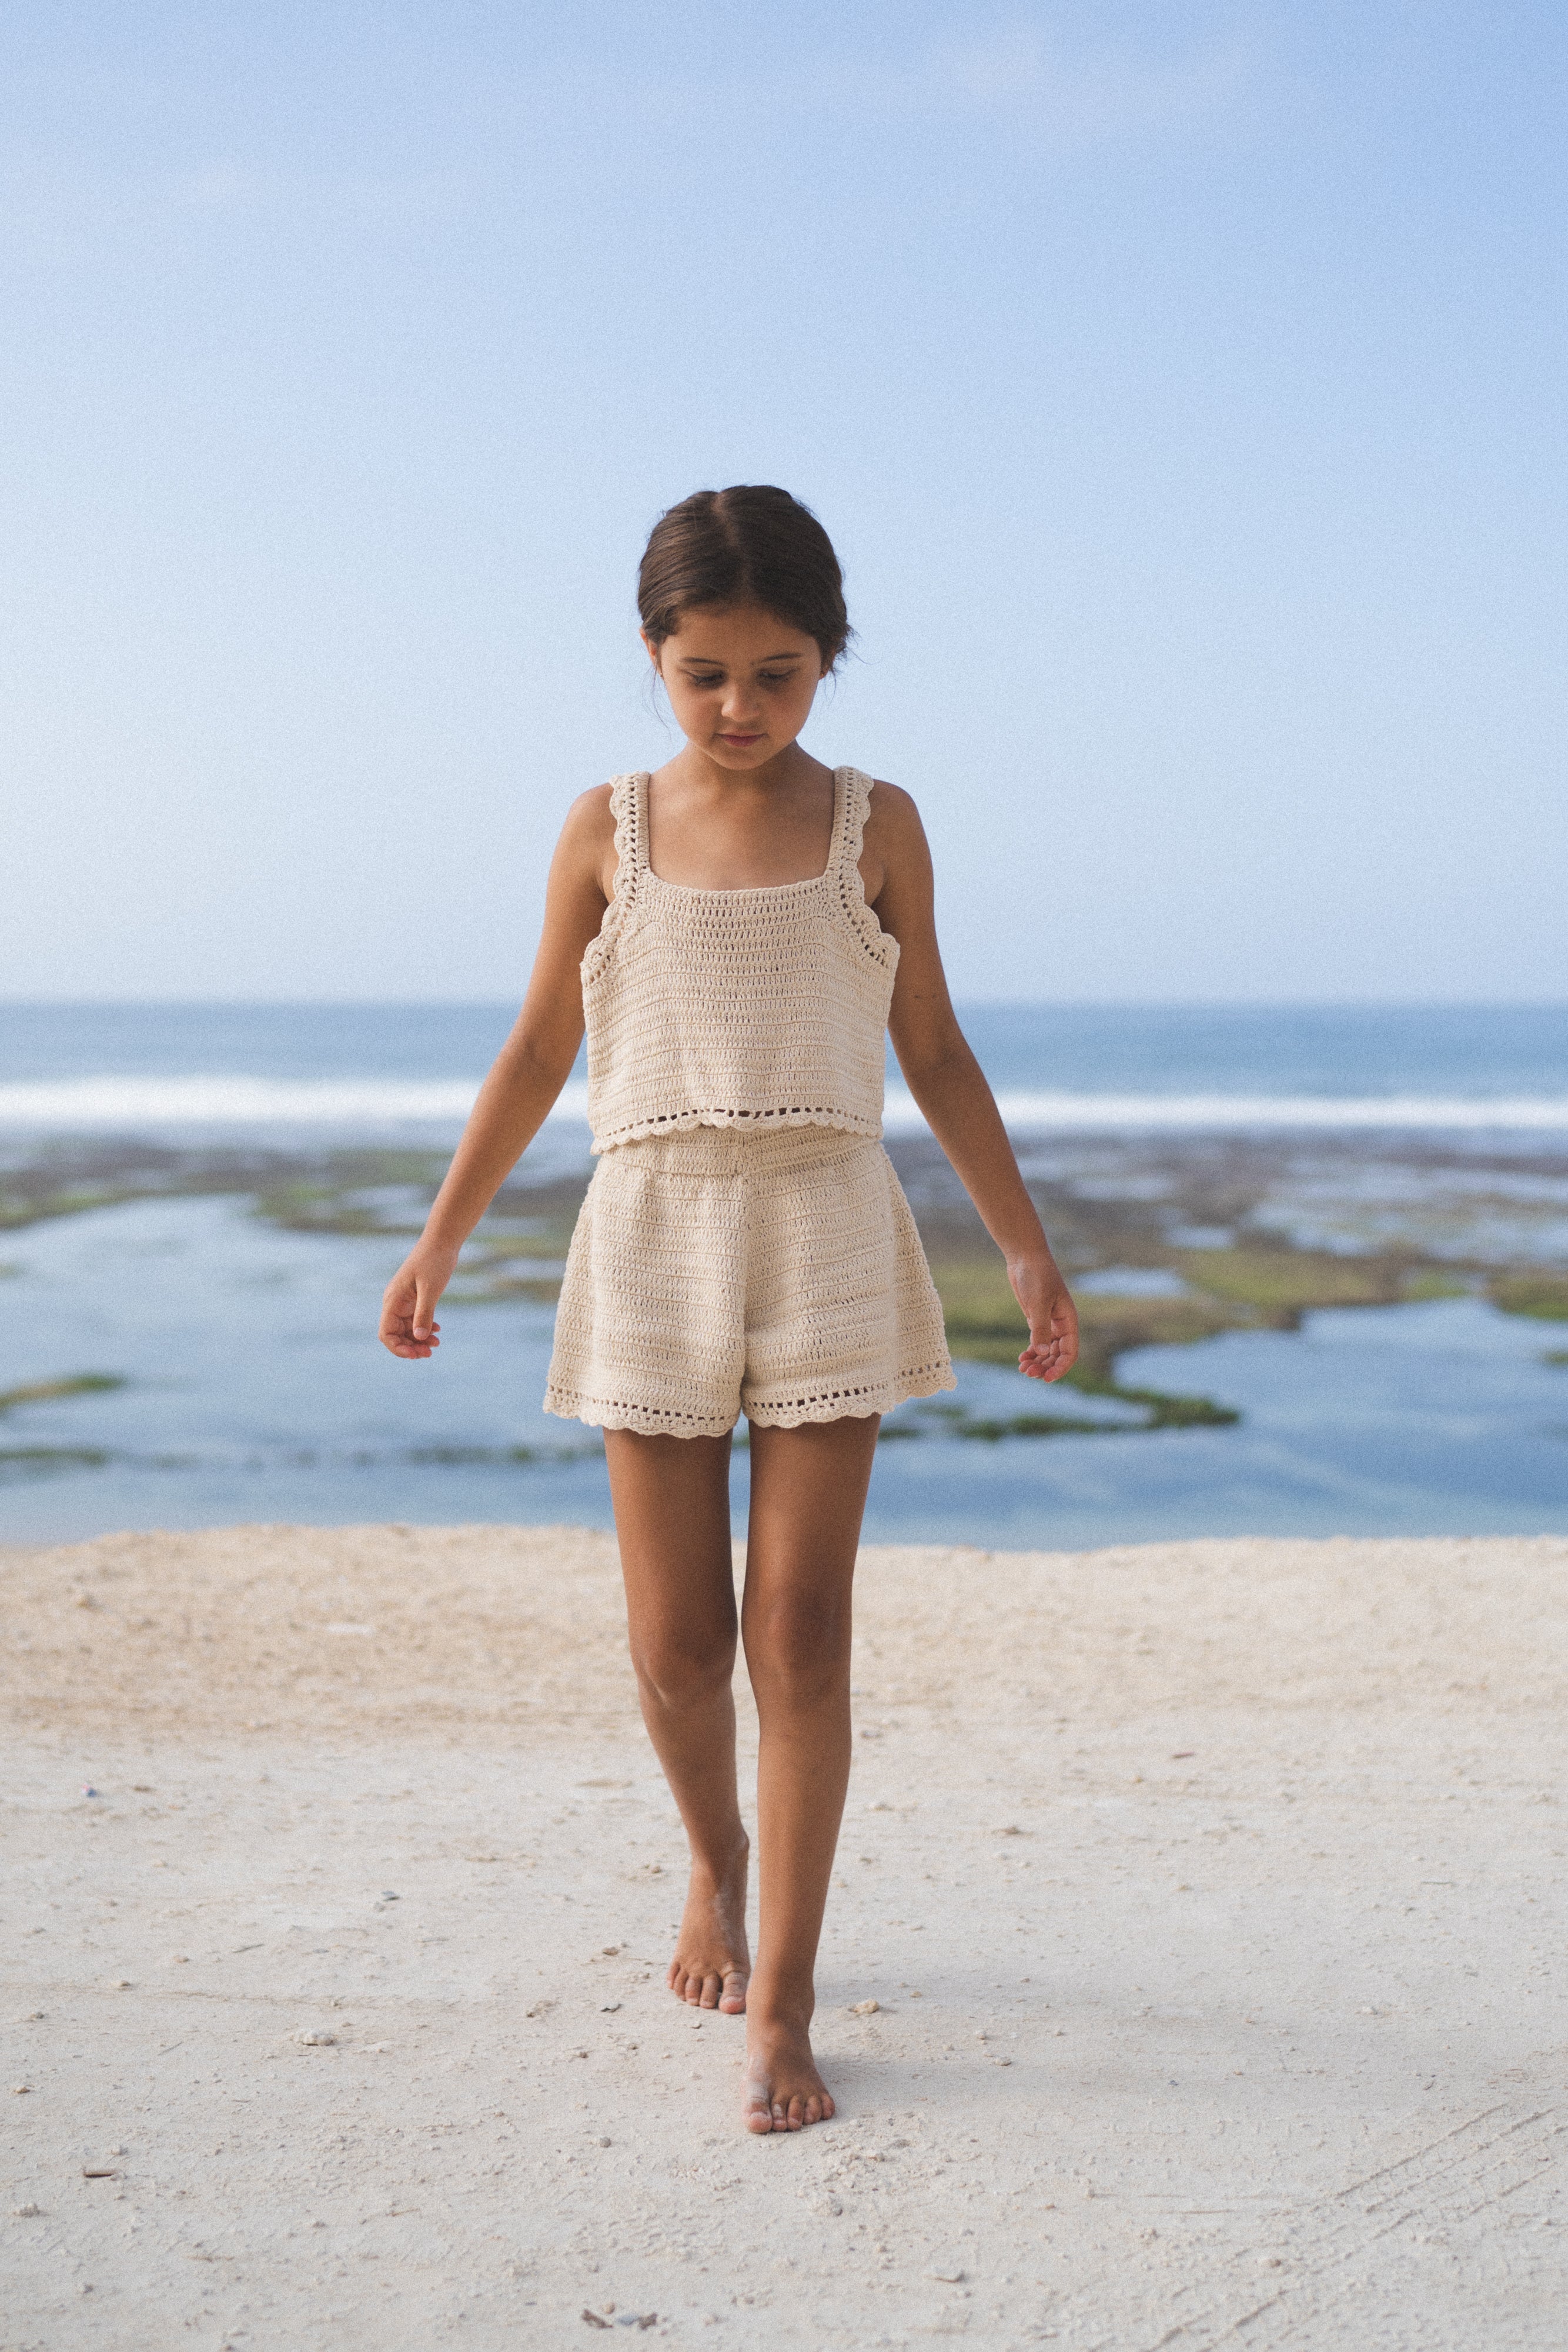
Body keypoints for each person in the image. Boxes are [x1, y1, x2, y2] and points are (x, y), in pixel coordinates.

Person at [379, 486, 1079, 2134]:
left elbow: (937, 1052)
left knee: (800, 1635)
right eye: (706, 674)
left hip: (831, 1225)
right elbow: (540, 1053)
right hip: (650, 1238)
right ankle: (716, 1862)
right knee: (678, 1645)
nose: (742, 707)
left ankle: (784, 2003)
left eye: (778, 672)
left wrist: (1026, 1253)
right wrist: (436, 1244)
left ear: (827, 659)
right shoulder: (603, 828)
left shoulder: (876, 826)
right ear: (653, 657)